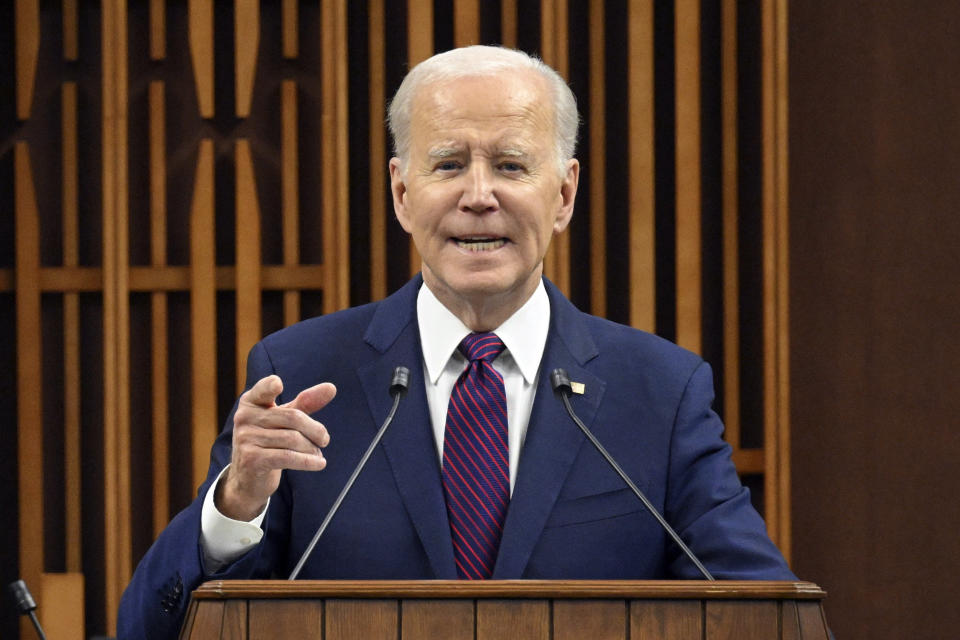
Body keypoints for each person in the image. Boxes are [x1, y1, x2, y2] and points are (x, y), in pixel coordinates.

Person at [117, 45, 795, 639]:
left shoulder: (660, 393)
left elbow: (764, 616)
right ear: (402, 192)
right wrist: (236, 505)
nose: (478, 195)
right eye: (447, 164)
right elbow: (155, 628)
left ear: (564, 194)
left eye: (509, 165)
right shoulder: (301, 375)